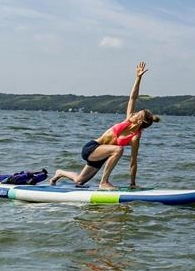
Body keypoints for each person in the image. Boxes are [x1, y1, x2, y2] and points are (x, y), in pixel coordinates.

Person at [51, 62, 160, 190]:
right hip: (91, 148)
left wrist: (132, 183)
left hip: (102, 156)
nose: (134, 113)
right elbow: (133, 98)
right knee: (118, 149)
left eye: (137, 114)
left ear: (140, 121)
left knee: (79, 180)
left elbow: (133, 161)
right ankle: (104, 182)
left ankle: (59, 173)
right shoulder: (128, 119)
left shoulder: (135, 137)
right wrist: (138, 78)